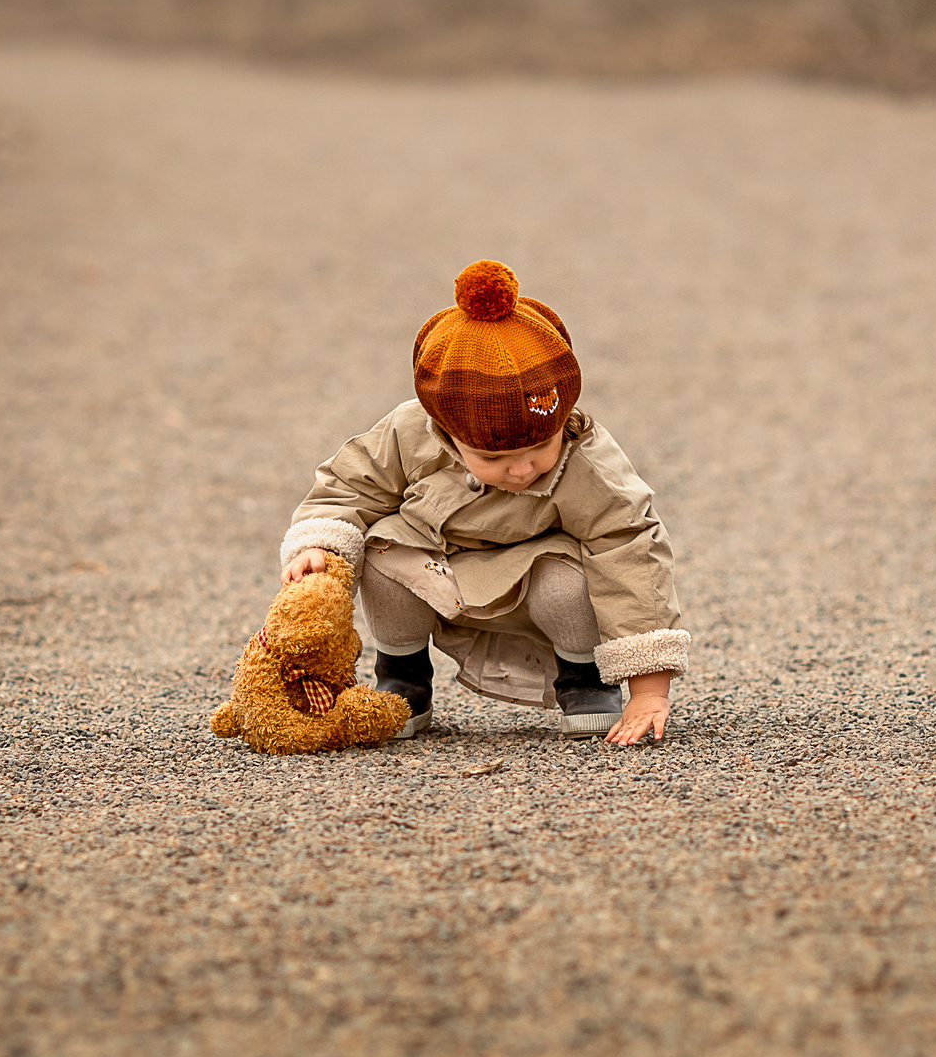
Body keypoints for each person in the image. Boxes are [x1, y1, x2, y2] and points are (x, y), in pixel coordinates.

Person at [278, 260, 689, 745]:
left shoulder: (586, 461)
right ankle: (403, 675)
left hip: (531, 575)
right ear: (446, 432)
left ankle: (583, 679)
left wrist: (648, 690)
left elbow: (630, 548)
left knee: (567, 584)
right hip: (435, 570)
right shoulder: (410, 434)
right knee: (382, 554)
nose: (522, 469)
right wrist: (320, 545)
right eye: (495, 456)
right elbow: (352, 486)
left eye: (541, 447)